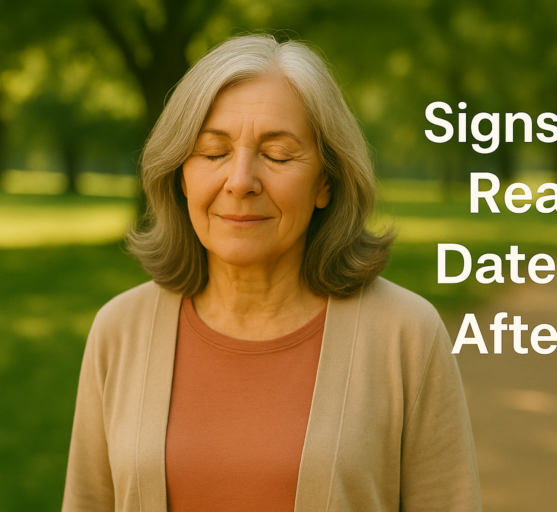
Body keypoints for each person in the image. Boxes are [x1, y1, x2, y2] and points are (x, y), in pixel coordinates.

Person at [62, 34, 482, 512]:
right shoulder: (119, 330)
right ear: (181, 175)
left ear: (326, 180)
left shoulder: (405, 335)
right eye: (213, 153)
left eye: (278, 155)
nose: (240, 182)